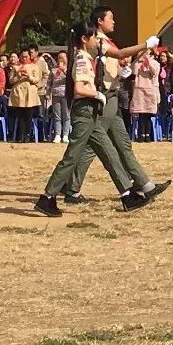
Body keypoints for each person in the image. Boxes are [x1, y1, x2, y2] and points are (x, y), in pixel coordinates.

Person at [35, 20, 152, 216]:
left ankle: (127, 194)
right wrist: (97, 94)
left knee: (109, 152)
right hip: (85, 112)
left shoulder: (87, 58)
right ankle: (47, 197)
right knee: (72, 156)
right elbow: (80, 88)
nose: (97, 42)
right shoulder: (81, 59)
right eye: (93, 38)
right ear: (84, 39)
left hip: (91, 112)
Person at [66, 5, 169, 204]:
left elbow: (117, 62)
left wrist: (123, 71)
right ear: (99, 22)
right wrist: (145, 44)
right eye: (110, 18)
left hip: (112, 95)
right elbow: (121, 54)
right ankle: (72, 188)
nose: (114, 22)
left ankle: (145, 184)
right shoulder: (97, 41)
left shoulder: (103, 41)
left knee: (123, 144)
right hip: (104, 97)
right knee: (93, 145)